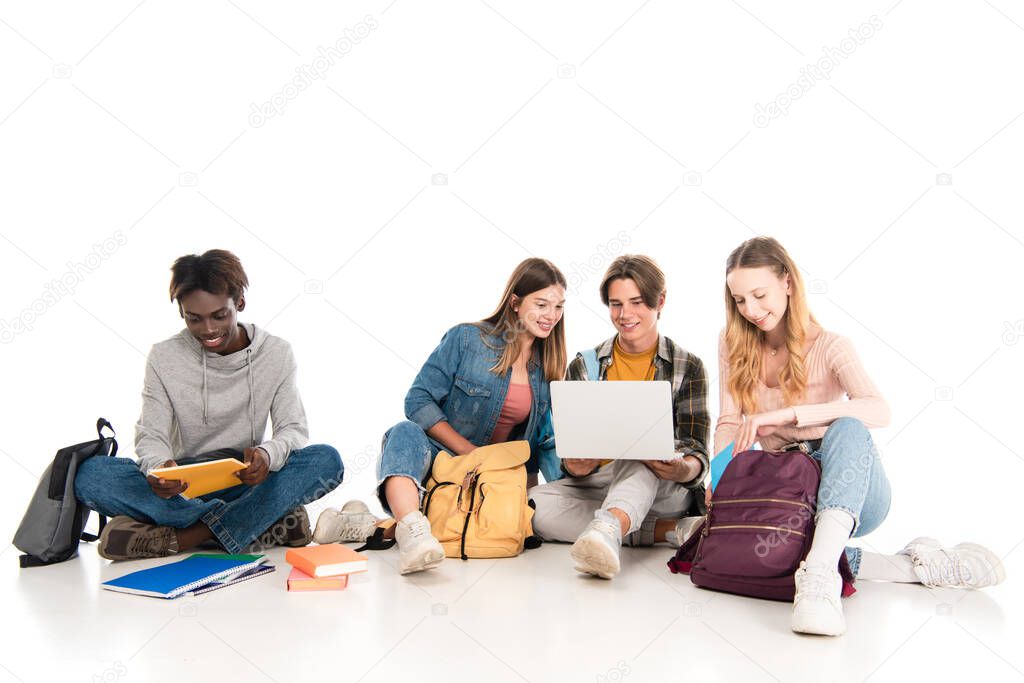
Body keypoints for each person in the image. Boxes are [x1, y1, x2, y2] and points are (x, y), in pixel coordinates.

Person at [714, 236, 1005, 636]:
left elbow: (878, 409)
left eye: (759, 294)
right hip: (786, 494)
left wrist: (788, 414)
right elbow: (729, 422)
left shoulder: (832, 346)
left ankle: (818, 581)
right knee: (763, 547)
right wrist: (718, 480)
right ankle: (916, 565)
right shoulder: (732, 343)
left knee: (849, 426)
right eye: (740, 300)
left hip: (850, 485)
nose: (751, 310)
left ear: (788, 283)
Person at [74, 249, 343, 560]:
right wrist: (158, 468)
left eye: (219, 315)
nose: (209, 330)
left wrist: (267, 456)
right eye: (194, 318)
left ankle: (185, 538)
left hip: (247, 478)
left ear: (239, 303)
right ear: (181, 312)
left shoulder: (277, 354)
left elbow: (293, 429)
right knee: (90, 475)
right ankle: (266, 521)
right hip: (184, 486)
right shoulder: (164, 357)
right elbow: (152, 434)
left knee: (326, 460)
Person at [316, 258, 567, 575]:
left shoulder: (549, 367)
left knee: (459, 520)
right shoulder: (467, 340)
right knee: (404, 430)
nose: (551, 316)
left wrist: (523, 505)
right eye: (541, 304)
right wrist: (467, 452)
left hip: (492, 473)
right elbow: (418, 399)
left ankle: (364, 525)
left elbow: (530, 449)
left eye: (558, 307)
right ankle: (414, 535)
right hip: (441, 457)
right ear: (515, 303)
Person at [529, 255, 709, 580]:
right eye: (616, 304)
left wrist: (681, 467)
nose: (625, 315)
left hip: (661, 486)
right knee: (531, 507)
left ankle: (608, 528)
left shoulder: (688, 366)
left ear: (661, 301)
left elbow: (698, 450)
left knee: (639, 449)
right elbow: (569, 457)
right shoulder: (584, 366)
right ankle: (667, 531)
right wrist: (576, 465)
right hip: (601, 485)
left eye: (637, 302)